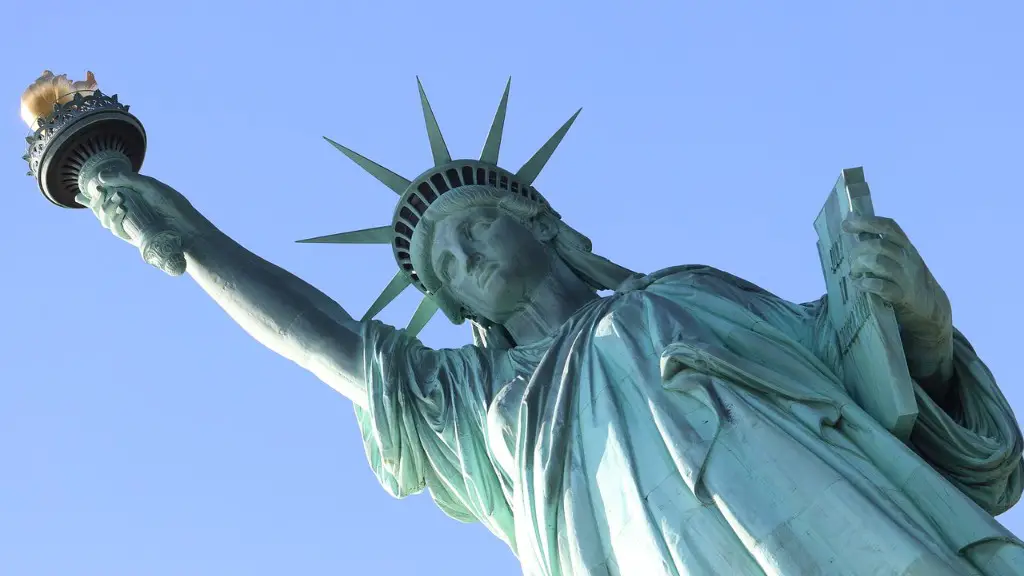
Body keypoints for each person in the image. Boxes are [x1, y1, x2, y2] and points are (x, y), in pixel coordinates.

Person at [74, 83, 1022, 575]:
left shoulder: (689, 292)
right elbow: (328, 344)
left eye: (471, 228)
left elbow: (890, 402)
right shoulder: (485, 404)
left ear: (542, 224)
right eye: (444, 266)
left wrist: (923, 323)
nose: (464, 258)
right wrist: (190, 243)